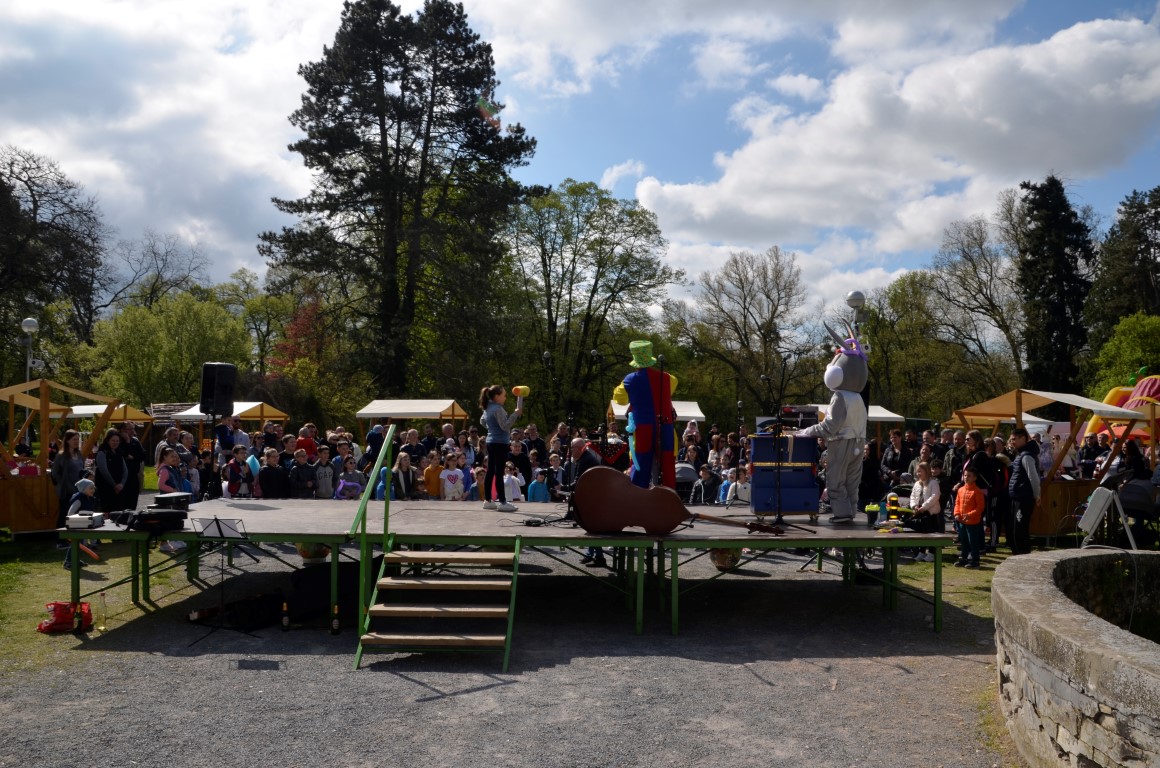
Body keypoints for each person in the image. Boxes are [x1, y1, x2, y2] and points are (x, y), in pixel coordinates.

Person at [479, 384, 524, 512]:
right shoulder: (498, 409)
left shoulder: (488, 407)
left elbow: (482, 421)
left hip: (491, 442)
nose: (505, 398)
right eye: (504, 395)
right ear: (497, 396)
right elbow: (505, 426)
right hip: (500, 443)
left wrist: (492, 429)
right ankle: (503, 502)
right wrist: (515, 414)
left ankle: (488, 500)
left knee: (490, 471)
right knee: (499, 472)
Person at [1006, 428, 1041, 556]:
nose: (1012, 442)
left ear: (1023, 438)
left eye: (1014, 439)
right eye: (1011, 439)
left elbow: (1033, 477)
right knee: (1014, 528)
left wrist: (1037, 495)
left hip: (1023, 497)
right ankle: (1018, 554)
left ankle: (1022, 555)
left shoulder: (1027, 456)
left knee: (1019, 529)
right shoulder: (1021, 454)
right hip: (1017, 496)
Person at [904, 462, 942, 558]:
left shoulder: (933, 483)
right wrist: (914, 506)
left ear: (926, 471)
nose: (918, 474)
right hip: (919, 511)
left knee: (931, 533)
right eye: (917, 472)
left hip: (930, 512)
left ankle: (932, 553)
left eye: (920, 471)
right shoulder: (917, 484)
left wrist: (924, 507)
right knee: (921, 532)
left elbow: (935, 496)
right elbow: (913, 496)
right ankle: (922, 551)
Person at [50, 430, 86, 531]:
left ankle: (76, 537)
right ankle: (60, 537)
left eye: (77, 439)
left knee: (77, 515)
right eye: (74, 439)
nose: (76, 441)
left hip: (79, 490)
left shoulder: (79, 454)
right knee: (64, 514)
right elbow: (55, 473)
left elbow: (81, 469)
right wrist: (63, 484)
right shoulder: (61, 455)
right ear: (67, 441)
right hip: (67, 491)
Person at [61, 478, 99, 570]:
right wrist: (82, 515)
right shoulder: (79, 500)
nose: (93, 490)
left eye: (94, 488)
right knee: (75, 544)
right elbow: (70, 513)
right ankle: (68, 562)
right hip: (75, 525)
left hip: (83, 525)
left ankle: (76, 560)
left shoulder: (89, 498)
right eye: (91, 488)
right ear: (84, 489)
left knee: (80, 544)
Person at [954, 466, 986, 568]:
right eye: (965, 475)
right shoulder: (960, 490)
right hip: (962, 521)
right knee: (964, 540)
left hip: (972, 522)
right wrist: (957, 514)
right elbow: (957, 503)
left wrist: (970, 515)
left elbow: (980, 507)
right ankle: (964, 558)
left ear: (975, 478)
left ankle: (975, 560)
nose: (966, 477)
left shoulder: (977, 491)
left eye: (969, 476)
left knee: (973, 541)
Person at [92, 428, 128, 513]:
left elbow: (125, 470)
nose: (115, 443)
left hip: (119, 489)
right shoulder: (102, 453)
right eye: (113, 440)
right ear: (108, 440)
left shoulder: (119, 452)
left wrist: (121, 484)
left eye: (117, 441)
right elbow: (104, 470)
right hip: (105, 489)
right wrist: (114, 485)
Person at [118, 422, 147, 509]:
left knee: (133, 502)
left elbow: (143, 455)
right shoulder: (118, 441)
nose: (132, 431)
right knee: (123, 504)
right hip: (122, 477)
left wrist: (133, 457)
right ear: (122, 430)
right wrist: (127, 442)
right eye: (129, 429)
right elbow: (124, 455)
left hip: (134, 475)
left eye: (133, 429)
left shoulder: (135, 441)